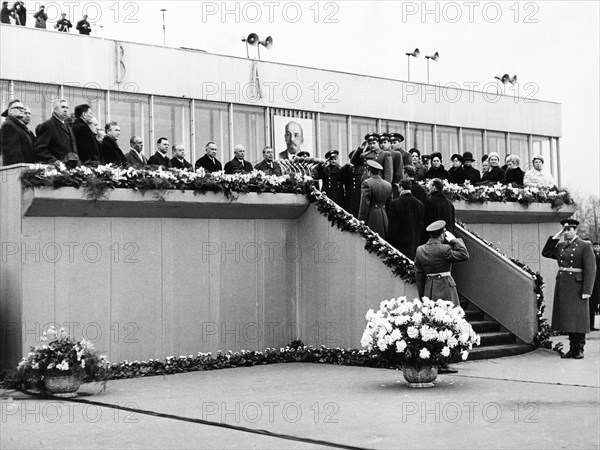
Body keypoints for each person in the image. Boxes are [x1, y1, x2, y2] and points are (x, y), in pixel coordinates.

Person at [414, 219, 469, 374]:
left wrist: (422, 295)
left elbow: (418, 274)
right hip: (446, 287)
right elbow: (464, 254)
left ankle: (434, 360)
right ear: (442, 233)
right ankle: (444, 361)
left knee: (433, 325)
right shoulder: (445, 249)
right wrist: (454, 240)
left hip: (429, 287)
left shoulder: (420, 250)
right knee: (449, 324)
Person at [542, 219, 597, 359]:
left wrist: (587, 290)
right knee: (569, 320)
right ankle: (572, 348)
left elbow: (591, 269)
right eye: (564, 230)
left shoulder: (584, 245)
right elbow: (546, 252)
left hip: (578, 287)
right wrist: (556, 236)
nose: (566, 232)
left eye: (569, 229)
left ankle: (579, 349)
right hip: (564, 286)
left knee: (578, 319)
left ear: (575, 230)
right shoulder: (561, 246)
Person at [387, 178, 424, 260]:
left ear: (401, 187)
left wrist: (389, 243)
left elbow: (393, 227)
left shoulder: (395, 203)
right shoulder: (420, 204)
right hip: (414, 244)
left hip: (399, 245)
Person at [34, 99, 79, 164]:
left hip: (70, 167)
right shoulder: (48, 125)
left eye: (67, 108)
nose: (65, 110)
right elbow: (40, 148)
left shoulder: (68, 126)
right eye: (62, 107)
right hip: (56, 168)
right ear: (55, 109)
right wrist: (53, 160)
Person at [358, 160, 392, 239]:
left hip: (372, 217)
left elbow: (364, 205)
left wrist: (361, 221)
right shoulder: (388, 185)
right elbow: (389, 205)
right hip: (384, 218)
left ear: (369, 171)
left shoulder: (367, 183)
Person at [0, 99, 36, 165]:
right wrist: (23, 169)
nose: (22, 110)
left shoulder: (21, 127)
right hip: (17, 171)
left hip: (26, 170)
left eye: (23, 108)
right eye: (18, 108)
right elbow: (14, 153)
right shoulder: (8, 125)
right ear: (10, 111)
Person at [340, 149, 363, 217]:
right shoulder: (348, 169)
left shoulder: (363, 169)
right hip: (350, 197)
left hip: (360, 196)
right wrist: (347, 165)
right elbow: (340, 176)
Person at [591, 242, 600, 331]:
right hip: (594, 283)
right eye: (595, 246)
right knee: (592, 305)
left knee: (594, 304)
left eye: (598, 246)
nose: (596, 248)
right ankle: (590, 325)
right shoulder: (591, 256)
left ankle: (592, 325)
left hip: (597, 283)